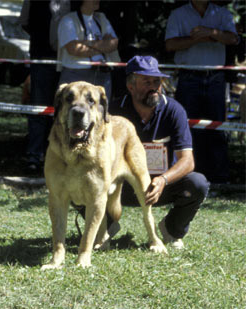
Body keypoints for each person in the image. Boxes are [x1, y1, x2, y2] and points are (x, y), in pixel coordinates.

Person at [107, 55, 209, 249]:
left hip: (158, 187)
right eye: (147, 82)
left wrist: (163, 180)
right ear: (131, 86)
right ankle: (105, 227)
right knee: (82, 183)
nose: (154, 87)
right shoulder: (113, 111)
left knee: (198, 183)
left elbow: (188, 161)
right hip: (121, 186)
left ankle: (171, 230)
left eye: (157, 81)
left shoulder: (174, 110)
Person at [165, 0, 239, 184]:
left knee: (217, 127)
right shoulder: (178, 14)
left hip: (216, 78)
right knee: (186, 128)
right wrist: (198, 38)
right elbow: (170, 45)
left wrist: (211, 33)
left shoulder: (222, 13)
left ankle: (220, 178)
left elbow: (234, 39)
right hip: (188, 76)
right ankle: (186, 176)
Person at [20, 0, 67, 173]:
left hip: (66, 59)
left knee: (63, 109)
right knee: (38, 109)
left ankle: (60, 157)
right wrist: (43, 36)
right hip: (41, 58)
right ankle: (34, 156)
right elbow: (24, 22)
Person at [56, 0, 119, 101]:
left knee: (100, 114)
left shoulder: (101, 18)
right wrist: (102, 45)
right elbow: (74, 49)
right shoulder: (68, 20)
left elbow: (114, 44)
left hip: (102, 74)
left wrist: (88, 43)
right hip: (76, 75)